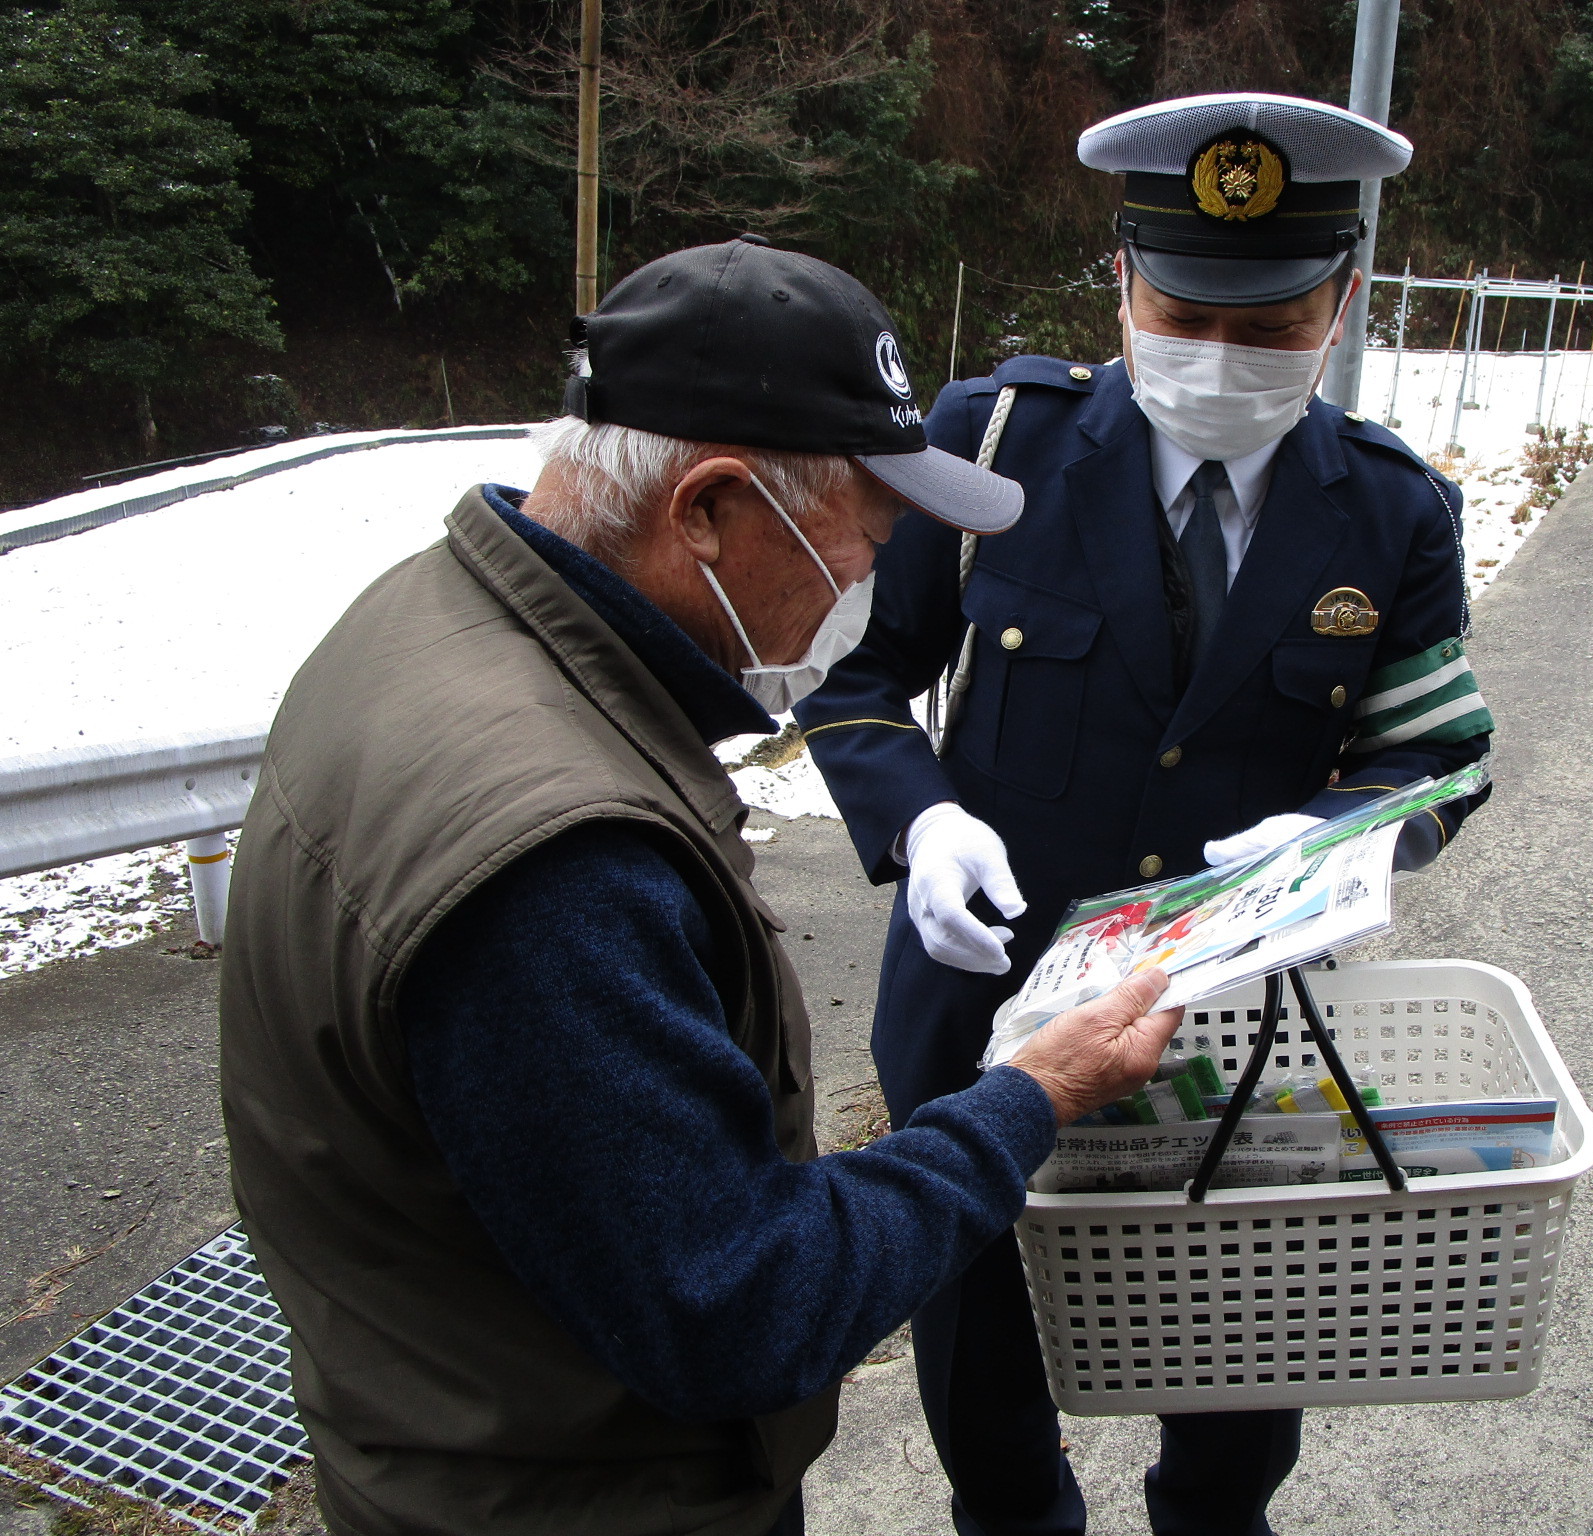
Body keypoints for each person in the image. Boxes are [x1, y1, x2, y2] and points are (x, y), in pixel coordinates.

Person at [216, 237, 1188, 1536]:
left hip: (463, 1427)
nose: (872, 569)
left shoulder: (426, 618)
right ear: (709, 511)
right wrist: (1031, 1098)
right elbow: (742, 1304)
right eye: (869, 520)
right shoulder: (555, 860)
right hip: (584, 1498)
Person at [795, 94, 1495, 1536]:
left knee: (1244, 1329)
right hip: (986, 999)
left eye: (1274, 324)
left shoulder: (1390, 513)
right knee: (978, 1319)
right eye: (1186, 312)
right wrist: (918, 818)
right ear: (1119, 280)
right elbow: (859, 681)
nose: (1223, 358)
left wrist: (1344, 834)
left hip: (1237, 1015)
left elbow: (1435, 755)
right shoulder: (991, 444)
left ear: (1345, 300)